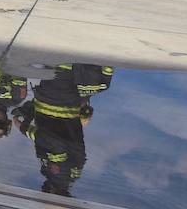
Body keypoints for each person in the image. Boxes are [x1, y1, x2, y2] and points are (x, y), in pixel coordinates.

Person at [13, 63, 114, 196]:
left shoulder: (70, 174)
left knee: (70, 62)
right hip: (56, 99)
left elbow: (55, 134)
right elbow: (54, 143)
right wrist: (25, 129)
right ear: (53, 193)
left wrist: (29, 110)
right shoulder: (59, 174)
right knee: (65, 60)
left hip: (60, 101)